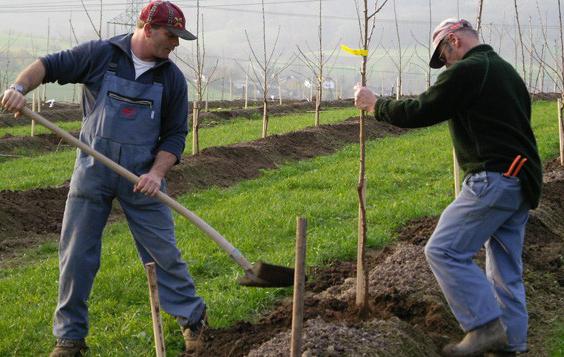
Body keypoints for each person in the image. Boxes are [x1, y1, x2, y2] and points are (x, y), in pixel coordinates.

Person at [1, 1, 207, 356]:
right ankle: (70, 339)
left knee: (164, 252)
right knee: (76, 255)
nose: (175, 44)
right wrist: (19, 88)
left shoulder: (171, 78)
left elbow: (175, 135)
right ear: (147, 27)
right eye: (171, 35)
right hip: (93, 172)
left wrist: (157, 174)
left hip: (142, 177)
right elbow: (47, 66)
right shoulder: (101, 54)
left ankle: (193, 322)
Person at [354, 18, 542, 356]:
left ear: (452, 41)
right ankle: (513, 346)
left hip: (494, 178)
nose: (444, 64)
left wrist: (375, 104)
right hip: (520, 184)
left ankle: (485, 326)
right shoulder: (505, 71)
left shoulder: (469, 69)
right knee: (505, 273)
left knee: (443, 250)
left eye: (442, 56)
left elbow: (423, 109)